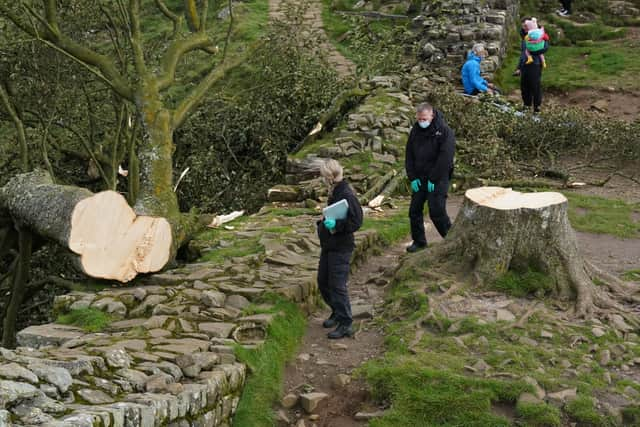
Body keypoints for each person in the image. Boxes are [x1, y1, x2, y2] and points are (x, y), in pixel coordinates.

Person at [316, 159, 363, 339]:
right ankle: (336, 311)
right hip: (329, 244)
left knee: (337, 285)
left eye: (323, 176)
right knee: (323, 281)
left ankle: (346, 323)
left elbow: (357, 221)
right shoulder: (335, 190)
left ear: (329, 176)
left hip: (341, 247)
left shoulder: (347, 194)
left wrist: (337, 224)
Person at [405, 103, 455, 253]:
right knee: (414, 211)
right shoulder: (415, 131)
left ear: (432, 116)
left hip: (438, 178)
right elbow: (409, 155)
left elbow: (445, 158)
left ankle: (451, 241)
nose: (422, 122)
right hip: (419, 178)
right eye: (419, 119)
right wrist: (412, 177)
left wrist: (434, 178)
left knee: (437, 211)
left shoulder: (444, 132)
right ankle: (419, 242)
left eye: (424, 119)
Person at [519, 23, 549, 114]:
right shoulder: (525, 37)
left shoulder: (538, 35)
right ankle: (526, 106)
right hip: (525, 65)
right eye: (523, 26)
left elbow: (545, 48)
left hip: (535, 65)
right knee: (524, 86)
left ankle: (537, 109)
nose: (523, 28)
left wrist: (534, 51)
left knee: (535, 87)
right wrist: (519, 67)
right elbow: (522, 54)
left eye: (525, 26)